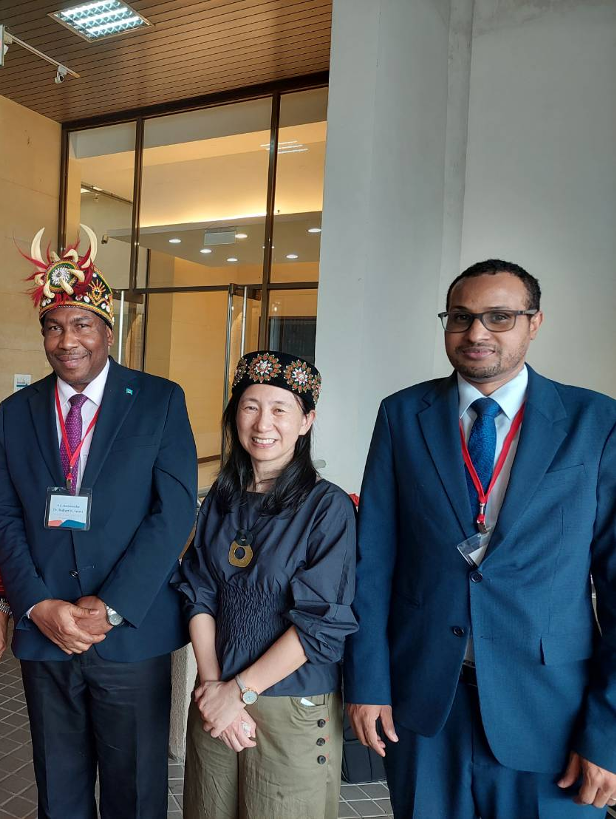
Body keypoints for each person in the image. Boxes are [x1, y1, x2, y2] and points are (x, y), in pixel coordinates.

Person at [344, 260, 616, 819]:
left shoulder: (596, 421)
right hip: (425, 706)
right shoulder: (402, 415)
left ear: (534, 323)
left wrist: (608, 731)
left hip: (551, 714)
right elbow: (373, 563)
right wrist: (367, 681)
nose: (476, 333)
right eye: (461, 318)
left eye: (499, 317)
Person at [0, 225, 197, 819]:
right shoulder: (14, 413)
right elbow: (4, 516)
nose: (68, 341)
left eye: (82, 324)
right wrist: (36, 604)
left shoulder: (160, 400)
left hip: (130, 631)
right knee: (57, 788)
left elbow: (175, 510)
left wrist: (108, 606)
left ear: (109, 330)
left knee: (134, 789)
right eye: (54, 326)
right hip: (45, 631)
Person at [174, 350, 357, 819]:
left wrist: (239, 693)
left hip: (290, 703)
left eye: (281, 409)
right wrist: (215, 689)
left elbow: (321, 621)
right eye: (250, 406)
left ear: (306, 420)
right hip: (213, 697)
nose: (262, 423)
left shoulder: (327, 507)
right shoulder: (220, 496)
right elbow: (199, 590)